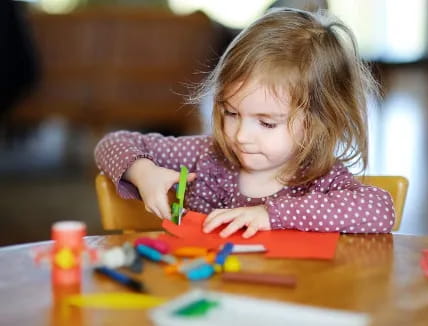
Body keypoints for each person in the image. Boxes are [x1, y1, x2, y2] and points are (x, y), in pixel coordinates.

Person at [94, 8, 395, 238]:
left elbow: (380, 209)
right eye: (231, 113)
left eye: (266, 123)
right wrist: (143, 172)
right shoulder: (208, 157)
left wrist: (271, 215)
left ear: (321, 122)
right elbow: (112, 143)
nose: (241, 137)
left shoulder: (320, 178)